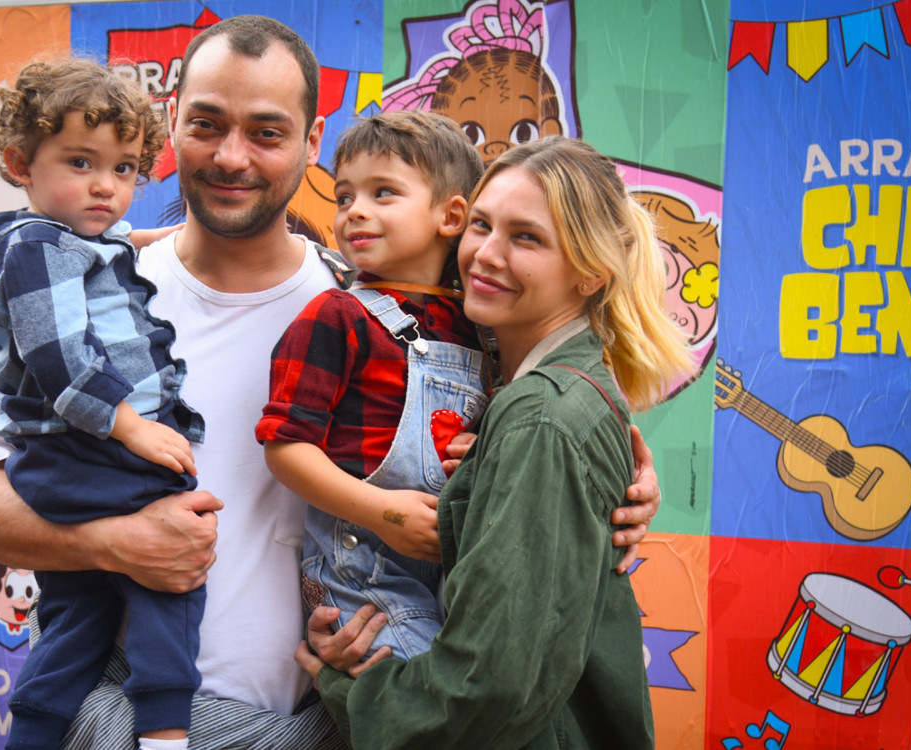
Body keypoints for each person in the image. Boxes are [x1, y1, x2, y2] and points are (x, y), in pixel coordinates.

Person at [0, 17, 662, 749]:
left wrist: (623, 480)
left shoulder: (373, 307)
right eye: (207, 124)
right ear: (172, 122)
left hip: (331, 719)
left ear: (312, 142)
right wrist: (114, 542)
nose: (232, 156)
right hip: (146, 718)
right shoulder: (90, 298)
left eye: (265, 131)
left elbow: (532, 406)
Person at [297, 136, 695, 749]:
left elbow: (487, 686)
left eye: (526, 237)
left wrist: (348, 687)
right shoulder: (521, 380)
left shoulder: (543, 418)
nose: (485, 254)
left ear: (591, 272)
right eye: (481, 226)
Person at [0, 59, 206, 749]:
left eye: (127, 169)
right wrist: (133, 427)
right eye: (81, 162)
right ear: (21, 163)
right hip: (87, 446)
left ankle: (34, 733)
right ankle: (166, 734)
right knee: (173, 574)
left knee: (80, 610)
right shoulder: (36, 251)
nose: (106, 186)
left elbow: (102, 246)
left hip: (66, 454)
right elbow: (62, 367)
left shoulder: (66, 237)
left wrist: (155, 238)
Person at [256, 111, 487, 660]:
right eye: (344, 197)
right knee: (424, 695)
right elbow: (286, 450)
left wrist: (482, 449)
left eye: (384, 193)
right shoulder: (337, 315)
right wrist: (384, 512)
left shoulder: (479, 324)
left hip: (450, 562)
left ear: (451, 214)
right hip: (359, 570)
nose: (354, 211)